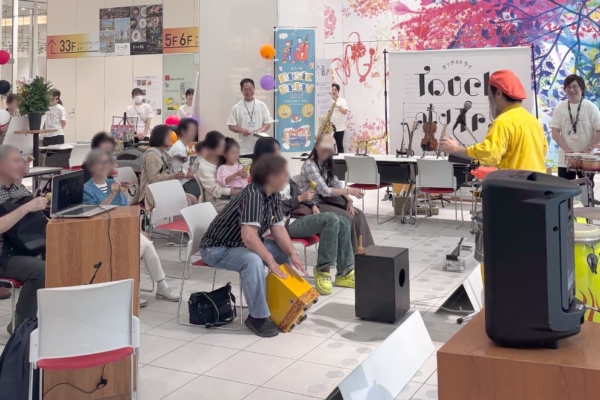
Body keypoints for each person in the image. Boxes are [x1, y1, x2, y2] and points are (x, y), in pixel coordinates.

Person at [200, 154, 309, 337]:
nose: (287, 178)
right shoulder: (253, 195)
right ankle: (257, 317)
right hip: (217, 248)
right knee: (252, 260)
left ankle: (285, 304)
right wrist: (270, 262)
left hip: (239, 244)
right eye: (283, 174)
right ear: (270, 177)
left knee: (281, 253)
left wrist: (292, 253)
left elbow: (278, 229)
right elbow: (249, 237)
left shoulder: (273, 195)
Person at [254, 137, 355, 295]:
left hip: (297, 218)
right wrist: (299, 199)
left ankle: (345, 272)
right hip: (282, 226)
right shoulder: (259, 182)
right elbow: (273, 208)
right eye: (276, 151)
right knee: (331, 218)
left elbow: (299, 193)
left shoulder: (282, 174)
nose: (279, 155)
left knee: (342, 220)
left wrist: (311, 204)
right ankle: (323, 270)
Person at [83, 149, 178, 303]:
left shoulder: (113, 184)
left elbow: (127, 211)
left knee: (146, 244)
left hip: (121, 229)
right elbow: (96, 215)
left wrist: (137, 229)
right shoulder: (86, 190)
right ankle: (135, 291)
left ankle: (160, 286)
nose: (112, 165)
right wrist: (111, 195)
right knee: (141, 245)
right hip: (102, 232)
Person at [439, 70, 547, 173]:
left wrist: (456, 149)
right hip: (536, 183)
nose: (489, 99)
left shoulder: (503, 121)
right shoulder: (533, 121)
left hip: (514, 183)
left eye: (489, 94)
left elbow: (490, 154)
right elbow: (543, 151)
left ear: (498, 94)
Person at [0, 145, 46, 333]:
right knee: (41, 271)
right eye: (16, 161)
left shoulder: (20, 191)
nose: (23, 165)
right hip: (4, 256)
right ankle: (21, 326)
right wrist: (26, 207)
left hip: (26, 248)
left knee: (68, 257)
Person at [300, 134, 373, 252]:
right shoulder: (310, 165)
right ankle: (352, 254)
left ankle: (368, 251)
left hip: (325, 201)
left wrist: (349, 200)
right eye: (324, 149)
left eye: (329, 151)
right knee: (346, 217)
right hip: (313, 204)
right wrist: (349, 190)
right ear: (316, 146)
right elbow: (325, 191)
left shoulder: (325, 164)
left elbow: (336, 184)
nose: (326, 153)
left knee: (358, 214)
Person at [550, 74, 600, 181]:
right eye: (568, 87)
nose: (571, 90)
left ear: (582, 89)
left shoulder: (591, 107)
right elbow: (554, 132)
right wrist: (566, 149)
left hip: (586, 159)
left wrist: (588, 148)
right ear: (565, 89)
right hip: (565, 159)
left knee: (585, 188)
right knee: (565, 188)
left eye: (575, 86)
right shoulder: (560, 107)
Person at [139, 124, 193, 209]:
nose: (170, 138)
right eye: (168, 136)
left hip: (162, 189)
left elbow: (166, 164)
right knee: (187, 201)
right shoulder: (152, 155)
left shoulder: (163, 151)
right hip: (152, 193)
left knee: (191, 199)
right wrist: (172, 176)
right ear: (161, 137)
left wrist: (180, 160)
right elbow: (153, 179)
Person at [198, 131, 245, 211]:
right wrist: (234, 192)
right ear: (211, 149)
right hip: (217, 200)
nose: (225, 148)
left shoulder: (223, 158)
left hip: (234, 193)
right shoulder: (204, 167)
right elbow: (215, 189)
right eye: (221, 146)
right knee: (245, 207)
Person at [227, 78, 274, 155]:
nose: (248, 92)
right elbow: (231, 126)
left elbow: (268, 123)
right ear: (241, 90)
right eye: (245, 89)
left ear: (254, 89)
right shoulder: (237, 107)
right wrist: (242, 130)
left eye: (250, 89)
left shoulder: (261, 105)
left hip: (260, 147)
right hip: (243, 148)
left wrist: (261, 130)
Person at [168, 118, 201, 197]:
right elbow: (178, 173)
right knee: (205, 187)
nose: (195, 133)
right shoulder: (179, 149)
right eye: (192, 130)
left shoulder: (183, 146)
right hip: (180, 185)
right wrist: (197, 175)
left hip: (184, 182)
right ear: (183, 131)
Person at [331, 83, 348, 153]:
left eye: (335, 90)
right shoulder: (328, 100)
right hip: (330, 127)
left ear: (338, 91)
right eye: (332, 90)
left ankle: (341, 159)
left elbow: (345, 112)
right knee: (330, 146)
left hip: (340, 127)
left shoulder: (342, 100)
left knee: (339, 145)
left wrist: (337, 106)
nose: (333, 91)